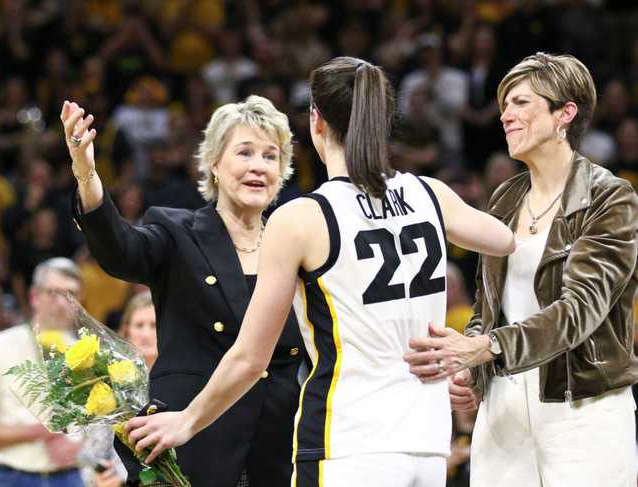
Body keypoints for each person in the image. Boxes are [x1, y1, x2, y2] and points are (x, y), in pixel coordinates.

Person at [125, 56, 515, 487]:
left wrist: (187, 422)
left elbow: (251, 358)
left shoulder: (303, 217)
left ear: (316, 120)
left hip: (348, 443)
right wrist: (481, 341)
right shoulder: (430, 194)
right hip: (427, 444)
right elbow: (511, 244)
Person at [406, 52, 638, 487]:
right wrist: (471, 369)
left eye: (520, 103)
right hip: (503, 405)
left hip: (583, 406)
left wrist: (487, 348)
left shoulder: (611, 198)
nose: (506, 116)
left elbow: (582, 310)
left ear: (564, 113)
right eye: (503, 107)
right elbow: (488, 308)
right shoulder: (504, 198)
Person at [61, 95, 305, 487]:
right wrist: (87, 175)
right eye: (244, 153)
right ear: (215, 164)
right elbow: (122, 252)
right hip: (190, 443)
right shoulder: (177, 231)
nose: (258, 166)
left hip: (281, 450)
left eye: (270, 156)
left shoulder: (299, 246)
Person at [0, 257, 85, 487]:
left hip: (71, 476)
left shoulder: (88, 354)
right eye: (54, 293)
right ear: (34, 297)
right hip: (10, 476)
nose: (63, 303)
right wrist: (41, 432)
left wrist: (84, 447)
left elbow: (100, 429)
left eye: (71, 294)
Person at [92, 291, 156, 487]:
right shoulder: (108, 380)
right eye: (139, 325)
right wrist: (103, 475)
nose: (146, 333)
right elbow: (94, 447)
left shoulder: (185, 377)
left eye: (154, 325)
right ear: (127, 330)